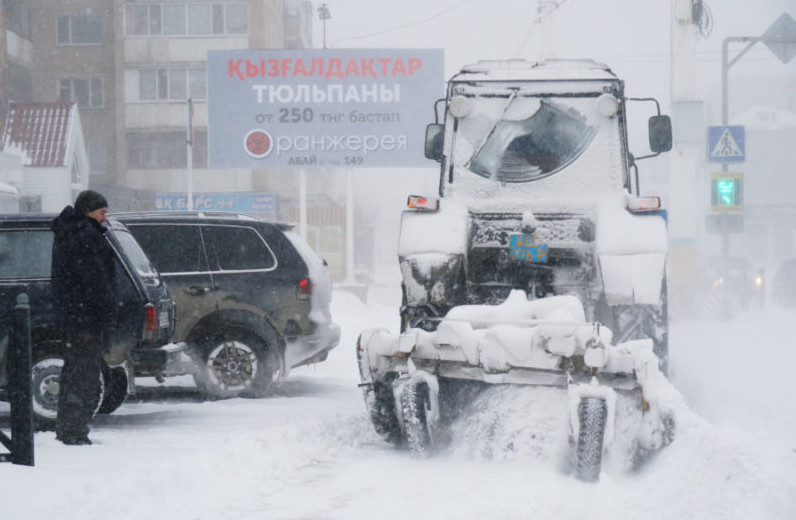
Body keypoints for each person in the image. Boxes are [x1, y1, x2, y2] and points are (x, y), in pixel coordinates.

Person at [51, 190, 118, 445]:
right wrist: (108, 310)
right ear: (88, 211)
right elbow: (95, 281)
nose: (105, 219)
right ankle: (74, 432)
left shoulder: (69, 233)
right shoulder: (84, 235)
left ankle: (68, 427)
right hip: (85, 318)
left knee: (74, 372)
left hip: (73, 316)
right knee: (84, 375)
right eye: (101, 213)